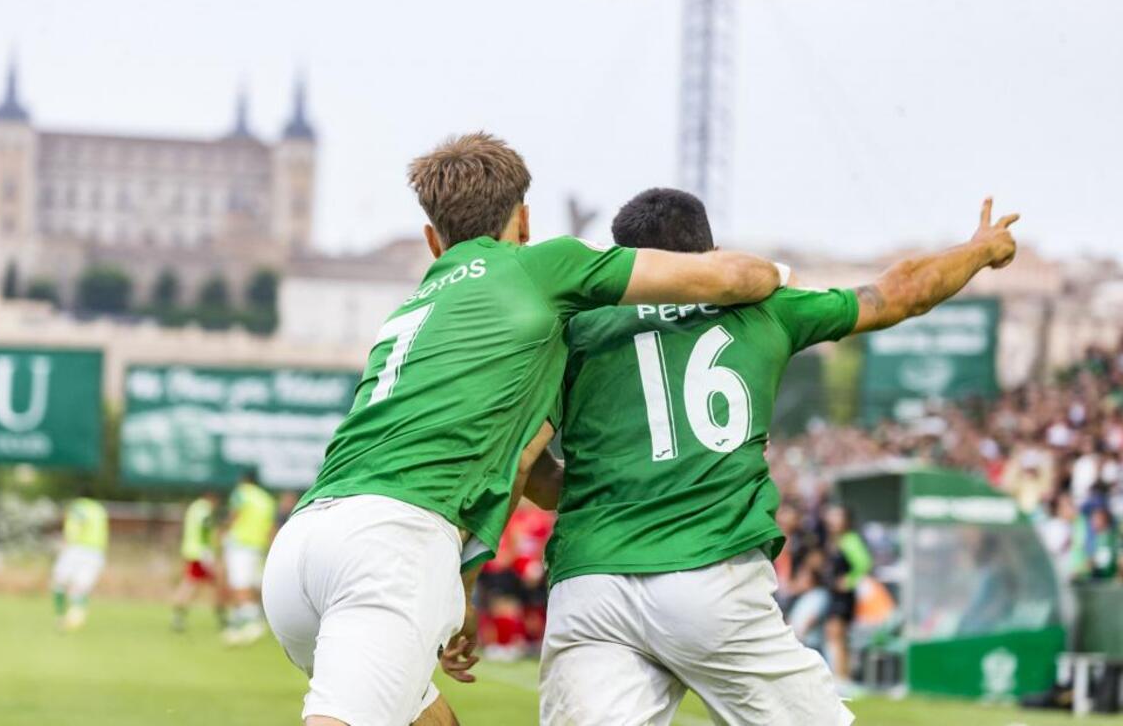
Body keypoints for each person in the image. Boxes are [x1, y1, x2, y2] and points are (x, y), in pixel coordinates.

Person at [260, 132, 785, 726]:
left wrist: (460, 585)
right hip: (391, 542)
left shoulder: (419, 306)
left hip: (302, 543)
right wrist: (778, 275)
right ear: (526, 220)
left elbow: (522, 459)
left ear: (434, 241)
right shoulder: (540, 267)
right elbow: (728, 279)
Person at [532, 190, 1019, 725]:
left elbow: (527, 462)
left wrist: (603, 483)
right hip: (709, 574)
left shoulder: (576, 328)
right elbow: (898, 293)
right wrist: (980, 249)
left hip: (589, 586)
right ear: (712, 251)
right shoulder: (763, 308)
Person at [222, 470, 276, 646]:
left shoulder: (242, 493)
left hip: (240, 544)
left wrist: (222, 532)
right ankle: (240, 623)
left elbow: (234, 515)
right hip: (258, 546)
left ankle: (253, 624)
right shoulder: (267, 499)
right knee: (253, 585)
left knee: (240, 585)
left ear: (244, 480)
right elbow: (270, 527)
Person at [822, 503, 872, 684]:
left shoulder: (850, 539)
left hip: (843, 598)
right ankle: (839, 674)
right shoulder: (834, 540)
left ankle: (843, 678)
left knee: (838, 634)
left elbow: (864, 563)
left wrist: (849, 580)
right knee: (833, 634)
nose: (832, 520)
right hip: (834, 595)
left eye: (837, 517)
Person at [51, 493, 109, 632]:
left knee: (59, 582)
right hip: (97, 552)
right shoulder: (99, 509)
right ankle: (77, 616)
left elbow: (77, 523)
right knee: (80, 587)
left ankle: (60, 615)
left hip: (77, 549)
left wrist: (65, 542)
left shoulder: (78, 506)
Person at [171, 490, 224, 632]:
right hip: (201, 553)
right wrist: (211, 547)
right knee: (192, 584)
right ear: (212, 498)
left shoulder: (194, 507)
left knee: (204, 583)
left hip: (192, 551)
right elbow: (206, 527)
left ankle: (221, 616)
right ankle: (221, 617)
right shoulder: (203, 509)